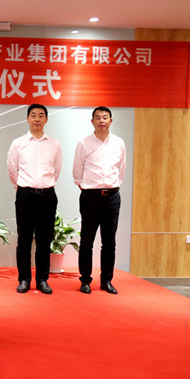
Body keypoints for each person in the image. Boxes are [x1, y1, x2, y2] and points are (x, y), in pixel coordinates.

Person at [7, 104, 62, 295]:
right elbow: (12, 169)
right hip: (25, 195)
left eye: (40, 115)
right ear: (27, 119)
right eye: (33, 115)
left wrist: (44, 186)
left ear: (46, 119)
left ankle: (42, 279)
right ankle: (24, 279)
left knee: (44, 240)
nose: (37, 119)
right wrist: (23, 188)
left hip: (48, 195)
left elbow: (57, 170)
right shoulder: (18, 143)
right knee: (24, 240)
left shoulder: (54, 144)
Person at [73, 106, 126, 295]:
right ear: (92, 121)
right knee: (87, 241)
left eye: (105, 117)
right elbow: (77, 172)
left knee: (109, 242)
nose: (101, 120)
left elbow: (121, 170)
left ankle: (107, 281)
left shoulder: (119, 143)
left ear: (111, 120)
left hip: (112, 197)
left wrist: (112, 187)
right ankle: (85, 280)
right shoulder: (84, 143)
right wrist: (88, 189)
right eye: (98, 117)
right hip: (90, 198)